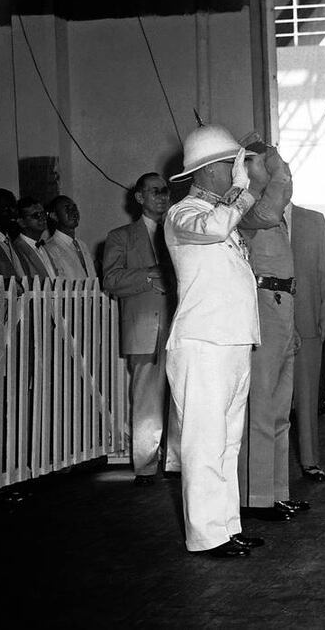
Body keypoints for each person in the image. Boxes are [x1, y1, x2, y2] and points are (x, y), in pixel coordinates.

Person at [163, 124, 264, 558]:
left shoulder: (221, 212)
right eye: (231, 164)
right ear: (206, 171)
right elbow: (216, 227)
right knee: (204, 442)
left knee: (227, 441)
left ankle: (226, 527)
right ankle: (205, 536)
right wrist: (242, 190)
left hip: (233, 340)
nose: (237, 171)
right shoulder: (182, 214)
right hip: (202, 342)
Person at [234, 138, 310, 521]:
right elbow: (271, 203)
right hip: (262, 306)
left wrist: (293, 324)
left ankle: (276, 491)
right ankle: (254, 495)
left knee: (280, 409)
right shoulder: (244, 206)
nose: (278, 166)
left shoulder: (272, 210)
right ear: (247, 165)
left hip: (282, 306)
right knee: (261, 408)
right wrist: (280, 169)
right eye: (266, 160)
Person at [102, 173, 181, 487]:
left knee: (180, 396)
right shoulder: (120, 236)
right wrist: (149, 273)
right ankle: (146, 467)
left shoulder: (179, 230)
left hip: (179, 325)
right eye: (155, 191)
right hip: (144, 328)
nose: (162, 196)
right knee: (147, 400)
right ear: (139, 197)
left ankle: (176, 463)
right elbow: (111, 281)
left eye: (166, 191)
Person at [291, 203, 325, 482]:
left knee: (308, 399)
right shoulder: (249, 217)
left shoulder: (312, 220)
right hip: (267, 325)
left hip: (308, 320)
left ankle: (310, 461)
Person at [44, 195, 95, 279]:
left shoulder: (82, 245)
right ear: (54, 216)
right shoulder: (50, 249)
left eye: (75, 208)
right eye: (67, 209)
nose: (74, 213)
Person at [12, 197, 56, 280]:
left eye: (43, 214)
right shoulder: (18, 249)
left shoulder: (43, 246)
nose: (42, 218)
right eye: (36, 215)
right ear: (22, 222)